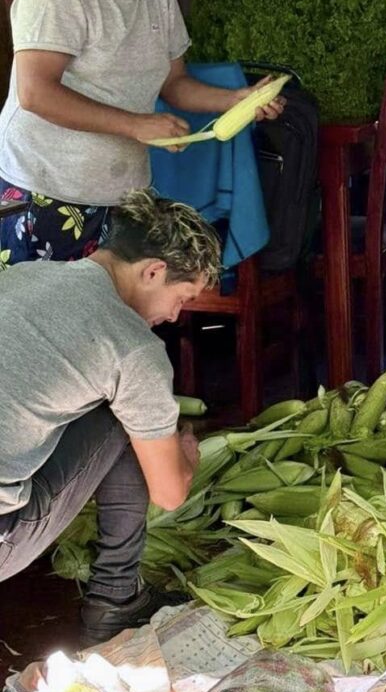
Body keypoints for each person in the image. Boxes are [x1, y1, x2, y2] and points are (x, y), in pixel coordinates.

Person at [0, 0, 283, 266]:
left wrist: (240, 100)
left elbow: (175, 82)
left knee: (116, 323)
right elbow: (35, 92)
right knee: (56, 324)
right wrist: (136, 125)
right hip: (46, 192)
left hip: (124, 198)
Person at [0, 188, 221, 646]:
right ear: (153, 271)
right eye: (182, 297)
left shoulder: (23, 276)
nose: (176, 315)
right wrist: (184, 457)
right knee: (124, 416)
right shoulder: (132, 348)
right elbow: (170, 493)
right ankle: (115, 599)